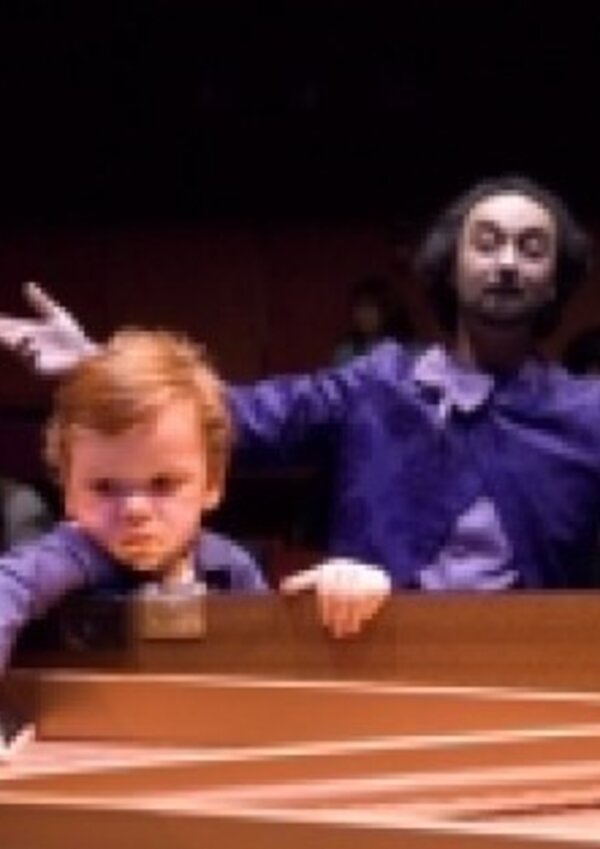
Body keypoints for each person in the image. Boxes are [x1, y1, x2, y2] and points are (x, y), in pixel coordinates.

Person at [0, 175, 595, 599]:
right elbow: (217, 420)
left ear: (554, 281)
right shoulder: (379, 382)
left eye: (532, 249)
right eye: (486, 243)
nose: (507, 263)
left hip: (533, 677)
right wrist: (98, 365)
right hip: (367, 661)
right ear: (451, 266)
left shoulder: (588, 413)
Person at [0, 327, 267, 673]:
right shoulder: (69, 553)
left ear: (212, 484)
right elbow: (8, 588)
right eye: (105, 487)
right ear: (68, 491)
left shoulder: (230, 568)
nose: (134, 510)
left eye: (163, 484)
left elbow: (274, 657)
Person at [331, 275, 413, 366]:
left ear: (387, 310)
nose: (362, 315)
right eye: (358, 308)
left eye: (369, 308)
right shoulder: (347, 352)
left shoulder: (411, 349)